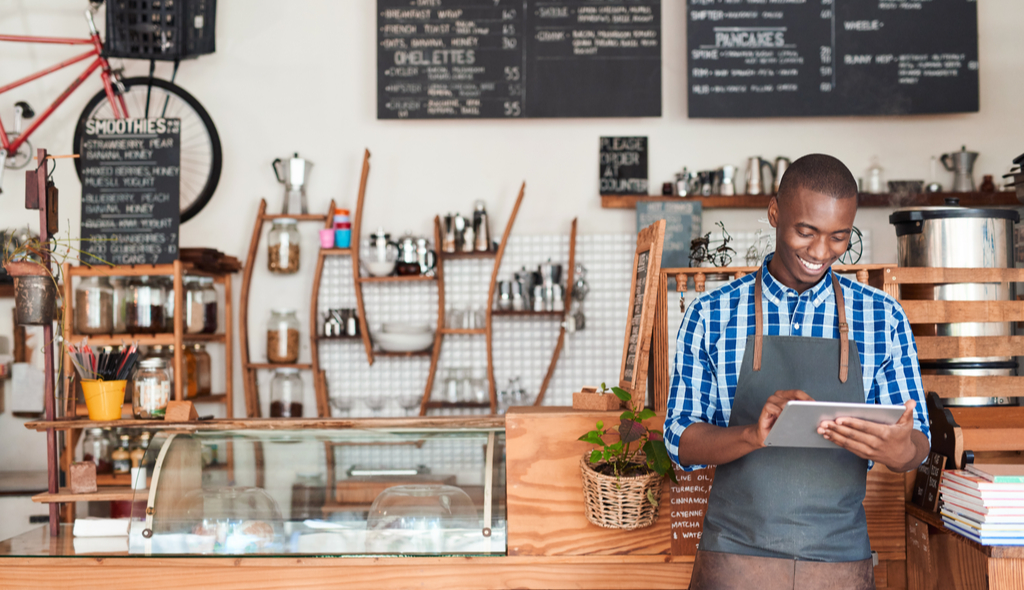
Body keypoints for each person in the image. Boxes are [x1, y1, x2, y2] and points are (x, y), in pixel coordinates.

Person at [664, 154, 930, 590]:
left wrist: (898, 449)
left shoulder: (882, 318)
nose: (820, 252)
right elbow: (680, 442)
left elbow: (916, 445)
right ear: (774, 213)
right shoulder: (711, 315)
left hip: (839, 564)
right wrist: (754, 433)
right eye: (806, 231)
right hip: (734, 562)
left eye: (839, 237)